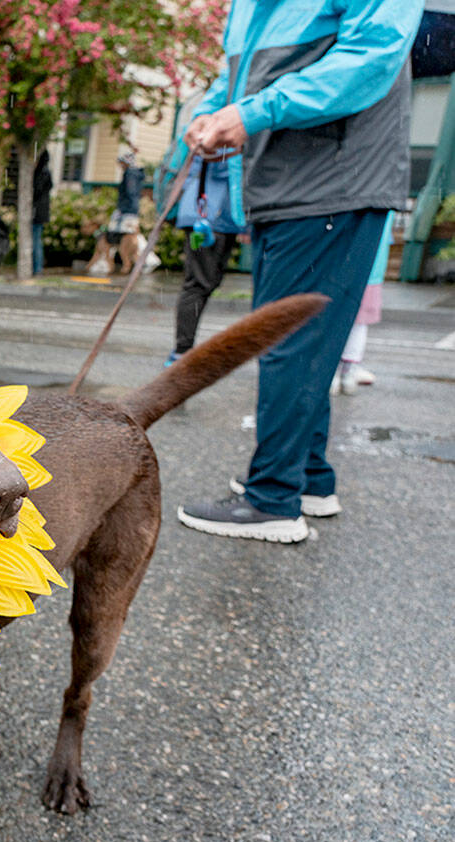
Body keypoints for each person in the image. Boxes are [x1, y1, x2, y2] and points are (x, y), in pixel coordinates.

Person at [178, 0, 423, 543]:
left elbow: (369, 60)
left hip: (330, 180)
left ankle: (272, 499)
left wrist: (249, 113)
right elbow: (239, 77)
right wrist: (214, 111)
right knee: (302, 341)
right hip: (293, 183)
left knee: (288, 343)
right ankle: (308, 478)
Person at [166, 154, 247, 364]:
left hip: (213, 214)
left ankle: (182, 350)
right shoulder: (217, 127)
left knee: (204, 283)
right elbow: (225, 166)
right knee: (198, 284)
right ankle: (182, 351)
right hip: (210, 214)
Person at [334, 210, 394, 394]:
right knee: (359, 322)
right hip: (371, 269)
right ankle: (348, 371)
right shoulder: (386, 194)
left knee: (332, 318)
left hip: (341, 263)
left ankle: (333, 373)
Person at [31, 149, 52, 275]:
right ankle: (36, 267)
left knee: (35, 239)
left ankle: (37, 268)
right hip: (42, 211)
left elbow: (37, 190)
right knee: (37, 238)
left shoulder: (41, 172)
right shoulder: (47, 172)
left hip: (37, 212)